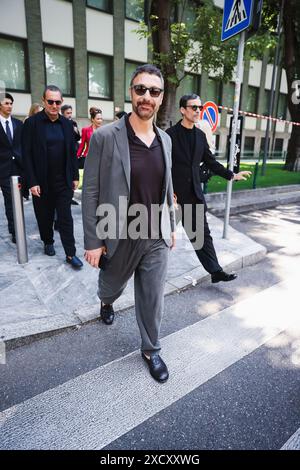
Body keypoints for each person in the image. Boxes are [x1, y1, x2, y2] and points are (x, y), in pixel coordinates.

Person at [82, 64, 175, 383]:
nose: (147, 96)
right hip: (117, 231)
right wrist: (93, 241)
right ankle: (106, 302)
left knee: (152, 297)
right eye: (141, 89)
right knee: (111, 286)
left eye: (154, 91)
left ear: (161, 98)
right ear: (131, 92)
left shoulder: (166, 139)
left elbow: (168, 187)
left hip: (155, 236)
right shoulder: (105, 137)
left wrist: (172, 225)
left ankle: (151, 350)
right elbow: (90, 190)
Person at [166, 94, 251, 283]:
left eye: (200, 107)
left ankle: (215, 271)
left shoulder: (200, 135)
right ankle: (145, 270)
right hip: (174, 198)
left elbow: (211, 162)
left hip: (194, 196)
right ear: (183, 110)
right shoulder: (170, 135)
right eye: (193, 107)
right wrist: (167, 191)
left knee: (202, 237)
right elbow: (162, 167)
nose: (197, 111)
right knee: (159, 238)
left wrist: (232, 175)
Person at [22, 85, 83, 268]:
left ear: (61, 102)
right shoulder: (32, 124)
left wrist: (73, 176)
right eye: (50, 101)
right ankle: (47, 241)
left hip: (62, 181)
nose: (54, 105)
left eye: (58, 102)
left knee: (65, 218)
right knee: (44, 215)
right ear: (44, 101)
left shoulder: (66, 124)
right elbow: (27, 154)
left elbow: (72, 153)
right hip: (41, 181)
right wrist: (32, 181)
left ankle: (71, 254)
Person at [0, 92, 23, 243]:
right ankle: (14, 230)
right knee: (10, 200)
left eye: (11, 103)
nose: (9, 106)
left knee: (18, 200)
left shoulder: (18, 124)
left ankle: (16, 227)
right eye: (6, 103)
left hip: (18, 168)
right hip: (3, 169)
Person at [60, 104, 80, 206]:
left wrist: (75, 130)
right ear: (62, 113)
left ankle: (70, 196)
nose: (70, 115)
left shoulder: (73, 123)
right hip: (63, 152)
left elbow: (77, 137)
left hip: (73, 150)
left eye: (71, 113)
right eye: (68, 113)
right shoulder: (60, 123)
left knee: (73, 174)